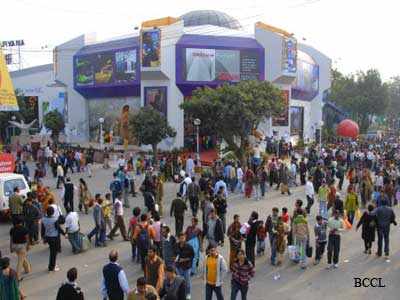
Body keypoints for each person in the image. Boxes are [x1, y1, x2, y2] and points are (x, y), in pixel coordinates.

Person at [41, 206, 65, 272]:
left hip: (48, 237)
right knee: (53, 253)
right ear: (53, 212)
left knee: (53, 251)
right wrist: (64, 234)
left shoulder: (43, 219)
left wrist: (43, 238)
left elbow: (42, 230)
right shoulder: (54, 220)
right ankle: (52, 267)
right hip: (54, 238)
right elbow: (58, 228)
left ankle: (52, 265)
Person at [175, 233, 194, 299]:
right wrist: (175, 259)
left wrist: (184, 259)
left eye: (183, 238)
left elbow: (192, 256)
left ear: (185, 238)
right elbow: (174, 254)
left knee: (187, 281)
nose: (182, 240)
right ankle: (181, 293)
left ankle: (188, 293)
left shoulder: (189, 247)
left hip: (186, 267)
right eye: (180, 238)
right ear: (178, 239)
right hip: (178, 267)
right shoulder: (176, 245)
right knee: (179, 281)